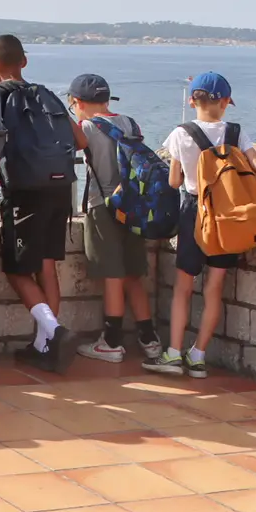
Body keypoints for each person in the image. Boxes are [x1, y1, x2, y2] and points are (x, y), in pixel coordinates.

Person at [150, 71, 256, 378]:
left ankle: (174, 353)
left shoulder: (181, 133)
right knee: (214, 288)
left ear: (192, 100)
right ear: (227, 102)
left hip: (193, 211)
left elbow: (175, 181)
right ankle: (199, 356)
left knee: (183, 288)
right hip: (226, 217)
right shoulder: (236, 132)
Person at [0, 35, 81, 373]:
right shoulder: (47, 94)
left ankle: (53, 332)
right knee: (46, 266)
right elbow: (80, 139)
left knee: (17, 269)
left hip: (25, 193)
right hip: (61, 189)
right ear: (24, 62)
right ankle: (43, 347)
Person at [66, 74, 164, 364]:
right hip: (134, 204)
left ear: (77, 102)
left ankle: (111, 341)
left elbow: (75, 148)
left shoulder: (85, 126)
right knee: (134, 273)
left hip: (103, 205)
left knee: (112, 273)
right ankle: (149, 338)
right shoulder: (130, 123)